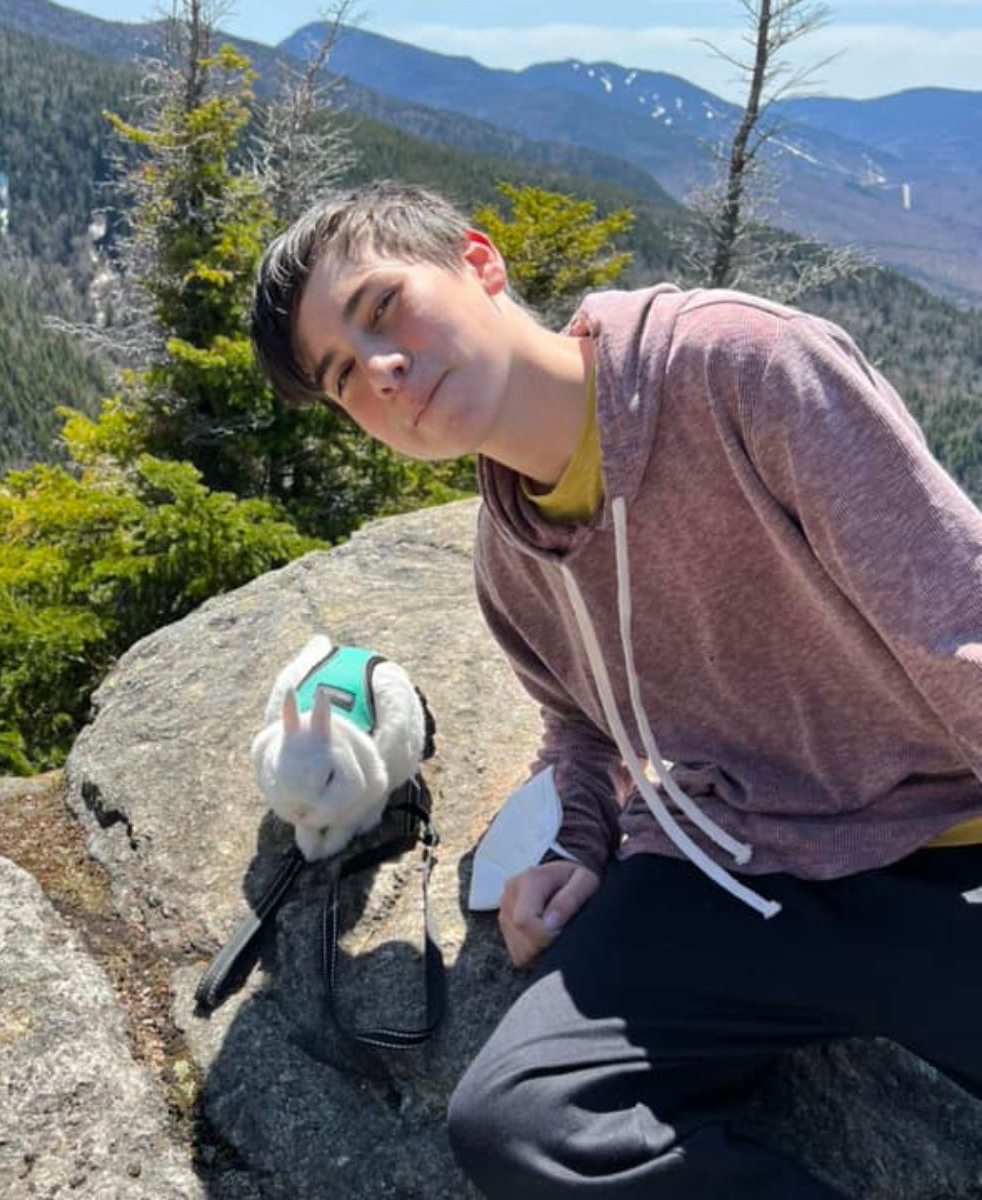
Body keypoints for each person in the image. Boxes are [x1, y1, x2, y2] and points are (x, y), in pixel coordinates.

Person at [249, 180, 982, 1198]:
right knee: (523, 1118)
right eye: (342, 376)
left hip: (946, 853)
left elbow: (961, 633)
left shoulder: (743, 371)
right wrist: (577, 839)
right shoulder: (510, 563)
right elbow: (579, 725)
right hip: (741, 870)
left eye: (383, 307)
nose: (380, 370)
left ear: (479, 262)